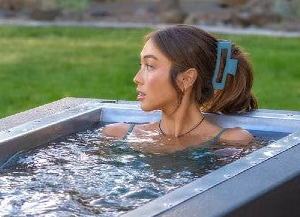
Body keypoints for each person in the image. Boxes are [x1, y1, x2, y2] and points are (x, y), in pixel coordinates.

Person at [102, 24, 259, 152]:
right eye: (140, 65)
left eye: (149, 66)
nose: (136, 78)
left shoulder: (233, 141)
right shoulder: (116, 134)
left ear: (186, 79)